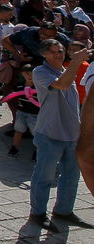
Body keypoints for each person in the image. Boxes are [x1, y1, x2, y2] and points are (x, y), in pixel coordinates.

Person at [29, 38, 91, 229]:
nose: (59, 54)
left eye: (61, 50)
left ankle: (64, 210)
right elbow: (62, 85)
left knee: (71, 177)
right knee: (44, 177)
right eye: (54, 51)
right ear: (44, 54)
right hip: (50, 134)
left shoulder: (66, 71)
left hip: (72, 135)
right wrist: (76, 62)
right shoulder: (40, 72)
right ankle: (38, 213)